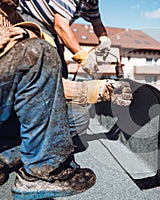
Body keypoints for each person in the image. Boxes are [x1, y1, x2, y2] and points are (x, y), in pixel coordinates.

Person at [0, 0, 131, 198]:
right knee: (41, 51)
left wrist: (99, 89)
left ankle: (5, 155)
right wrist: (83, 58)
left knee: (76, 118)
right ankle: (39, 174)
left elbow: (38, 81)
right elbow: (60, 27)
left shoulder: (15, 16)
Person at [18, 0, 112, 78]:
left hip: (50, 29)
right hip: (28, 14)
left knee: (62, 72)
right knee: (50, 67)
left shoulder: (92, 2)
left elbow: (97, 23)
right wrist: (84, 59)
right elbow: (60, 26)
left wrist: (104, 38)